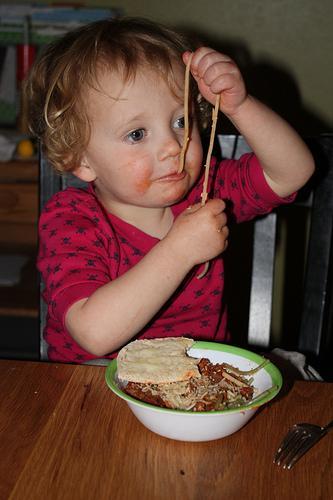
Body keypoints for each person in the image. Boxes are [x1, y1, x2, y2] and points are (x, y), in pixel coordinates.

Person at [26, 17, 314, 363]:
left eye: (181, 121)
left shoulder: (208, 190)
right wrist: (179, 251)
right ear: (80, 159)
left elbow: (294, 172)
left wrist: (240, 106)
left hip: (199, 380)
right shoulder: (71, 220)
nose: (173, 146)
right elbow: (94, 334)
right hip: (94, 389)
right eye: (137, 134)